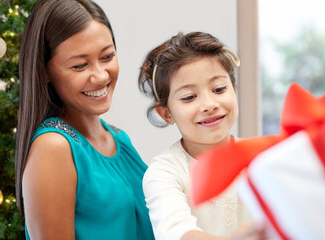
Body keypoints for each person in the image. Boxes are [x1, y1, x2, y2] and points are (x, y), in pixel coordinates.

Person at [14, 0, 155, 239]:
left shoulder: (119, 138)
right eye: (80, 65)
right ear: (45, 71)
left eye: (107, 56)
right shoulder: (54, 148)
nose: (100, 76)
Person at [138, 32, 267, 240]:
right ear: (166, 113)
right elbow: (177, 233)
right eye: (189, 97)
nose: (209, 105)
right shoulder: (164, 172)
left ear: (233, 89)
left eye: (219, 89)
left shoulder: (261, 156)